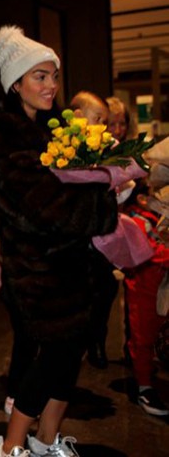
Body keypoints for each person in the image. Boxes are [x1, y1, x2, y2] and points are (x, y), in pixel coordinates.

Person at [0, 26, 118, 457]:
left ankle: (46, 440)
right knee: (53, 355)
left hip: (70, 263)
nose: (50, 86)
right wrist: (101, 203)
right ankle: (13, 445)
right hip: (36, 268)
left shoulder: (48, 129)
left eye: (53, 77)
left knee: (70, 353)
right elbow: (44, 206)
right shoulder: (5, 130)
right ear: (16, 82)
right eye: (39, 76)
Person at [68, 91, 119, 370]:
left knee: (105, 287)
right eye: (98, 119)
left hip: (98, 237)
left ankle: (96, 341)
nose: (103, 127)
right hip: (73, 240)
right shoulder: (63, 147)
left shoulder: (105, 147)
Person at [123, 150, 169, 416]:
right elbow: (144, 254)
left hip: (157, 285)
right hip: (144, 286)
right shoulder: (137, 220)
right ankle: (144, 386)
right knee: (143, 336)